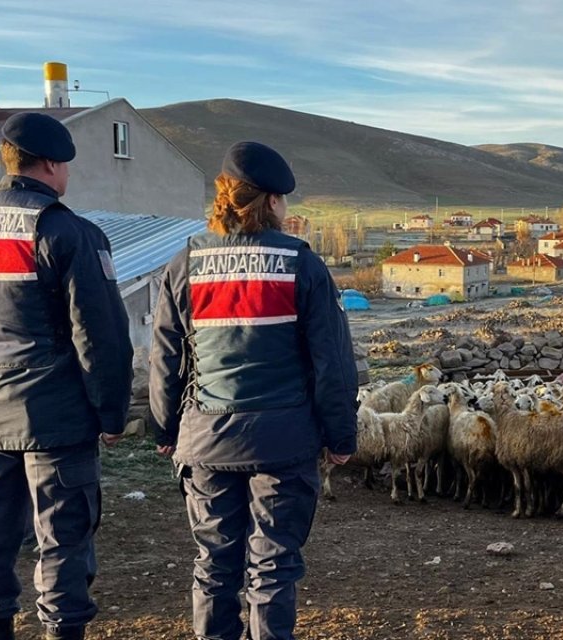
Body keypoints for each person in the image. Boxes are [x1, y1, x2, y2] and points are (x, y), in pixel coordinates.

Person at [0, 112, 134, 640]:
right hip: (58, 418)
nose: (67, 176)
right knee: (63, 539)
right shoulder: (70, 232)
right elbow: (101, 336)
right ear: (49, 164)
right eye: (66, 166)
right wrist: (111, 413)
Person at [149, 141, 358, 640]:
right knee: (273, 566)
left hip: (206, 440)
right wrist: (341, 436)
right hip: (285, 444)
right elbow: (332, 360)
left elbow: (164, 355)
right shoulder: (302, 265)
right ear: (272, 202)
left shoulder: (187, 264)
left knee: (215, 565)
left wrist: (164, 427)